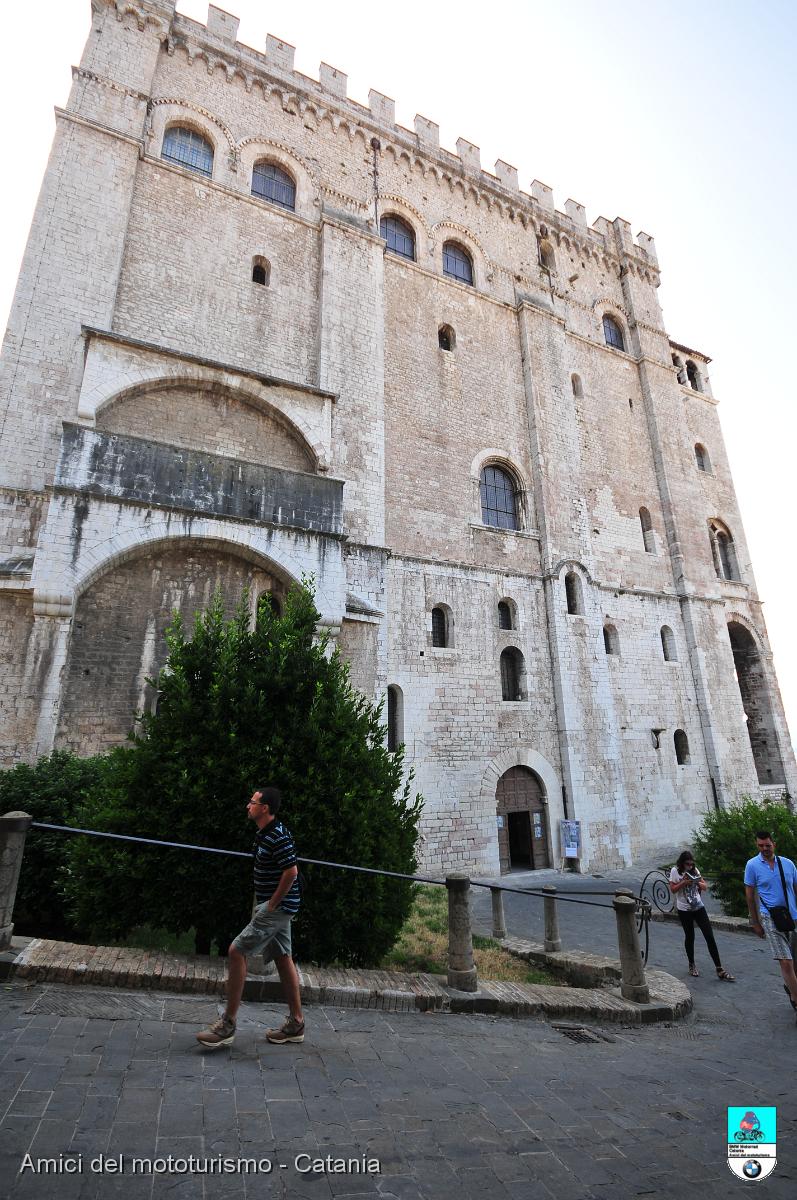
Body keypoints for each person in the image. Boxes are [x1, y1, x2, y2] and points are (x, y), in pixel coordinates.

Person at [197, 786, 304, 1049]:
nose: (248, 806)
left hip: (276, 908)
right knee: (282, 957)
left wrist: (271, 905)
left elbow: (291, 872)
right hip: (278, 906)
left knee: (236, 951)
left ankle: (227, 1025)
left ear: (264, 808)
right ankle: (296, 1024)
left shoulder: (277, 836)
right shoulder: (265, 833)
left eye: (252, 802)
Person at [744, 830, 797, 1015]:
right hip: (770, 918)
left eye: (767, 845)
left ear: (774, 844)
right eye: (760, 845)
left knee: (794, 963)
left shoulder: (788, 864)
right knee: (785, 962)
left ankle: (790, 987)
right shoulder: (752, 865)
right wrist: (755, 922)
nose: (764, 849)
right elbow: (750, 896)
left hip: (792, 918)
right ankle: (796, 1000)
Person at [669, 850, 735, 981]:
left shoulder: (695, 870)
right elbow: (672, 889)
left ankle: (719, 968)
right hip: (684, 909)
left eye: (691, 864)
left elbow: (705, 887)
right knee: (690, 936)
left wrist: (696, 881)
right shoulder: (675, 871)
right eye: (687, 864)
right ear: (682, 863)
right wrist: (683, 882)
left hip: (698, 907)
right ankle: (691, 964)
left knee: (709, 936)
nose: (690, 866)